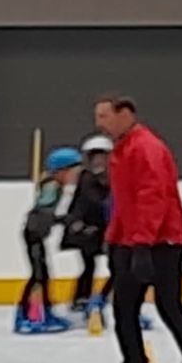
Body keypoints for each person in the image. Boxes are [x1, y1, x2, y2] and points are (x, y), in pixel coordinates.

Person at [98, 96, 182, 363]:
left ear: (126, 114)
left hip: (161, 241)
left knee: (170, 308)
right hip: (132, 241)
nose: (100, 123)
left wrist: (142, 245)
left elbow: (153, 198)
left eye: (105, 116)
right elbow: (124, 202)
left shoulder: (146, 148)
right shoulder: (122, 150)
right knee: (124, 311)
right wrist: (115, 240)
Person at [18, 147, 83, 334]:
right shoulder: (51, 186)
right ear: (62, 171)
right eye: (73, 172)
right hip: (34, 235)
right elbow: (45, 212)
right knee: (38, 276)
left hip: (38, 234)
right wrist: (65, 220)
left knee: (44, 274)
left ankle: (44, 310)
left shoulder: (55, 185)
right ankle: (29, 315)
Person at [64, 134, 113, 314]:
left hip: (106, 228)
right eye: (95, 156)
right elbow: (88, 202)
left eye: (102, 156)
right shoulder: (86, 178)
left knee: (118, 266)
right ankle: (82, 298)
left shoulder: (113, 177)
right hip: (87, 230)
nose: (98, 160)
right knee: (88, 265)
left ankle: (103, 296)